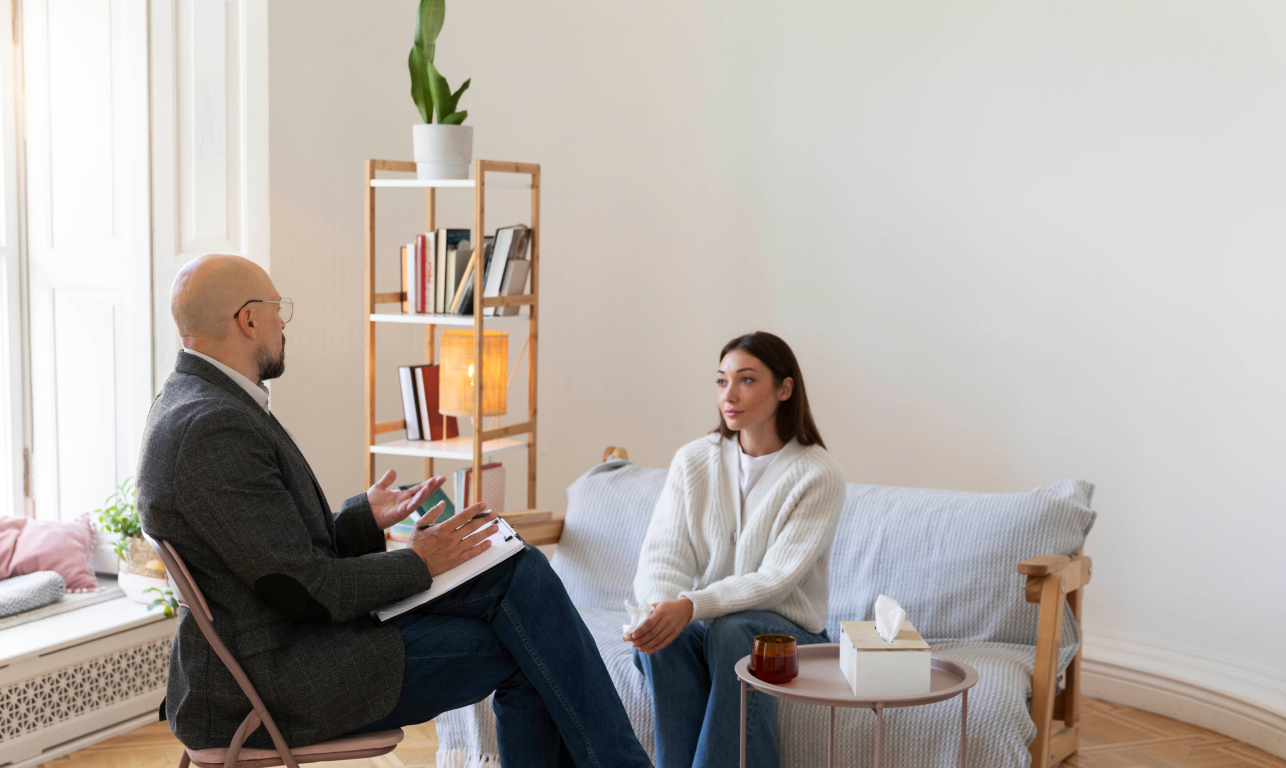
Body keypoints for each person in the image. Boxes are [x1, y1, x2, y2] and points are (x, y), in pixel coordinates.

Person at [138, 254, 650, 767]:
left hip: (282, 647)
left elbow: (271, 560)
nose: (283, 322)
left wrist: (363, 517)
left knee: (516, 572)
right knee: (531, 641)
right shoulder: (212, 427)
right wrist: (421, 560)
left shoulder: (191, 402)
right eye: (278, 309)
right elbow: (305, 589)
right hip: (278, 678)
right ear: (248, 319)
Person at [628, 331, 846, 768]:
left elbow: (775, 581)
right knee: (661, 640)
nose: (729, 394)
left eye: (746, 380)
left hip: (789, 636)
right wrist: (660, 611)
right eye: (721, 381)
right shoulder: (693, 460)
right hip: (709, 624)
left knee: (735, 632)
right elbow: (662, 556)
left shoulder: (818, 474)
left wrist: (690, 605)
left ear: (785, 389)